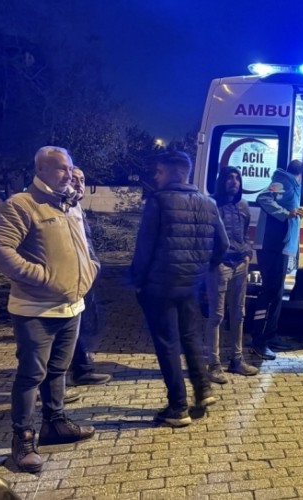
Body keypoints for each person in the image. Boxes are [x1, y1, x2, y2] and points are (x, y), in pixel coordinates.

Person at [0, 146, 98, 473]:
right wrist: (42, 276)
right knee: (31, 376)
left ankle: (55, 424)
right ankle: (23, 440)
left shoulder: (70, 205)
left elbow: (84, 246)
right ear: (41, 170)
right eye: (61, 168)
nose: (69, 173)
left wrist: (92, 267)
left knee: (58, 370)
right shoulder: (22, 204)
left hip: (72, 306)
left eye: (70, 167)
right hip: (35, 309)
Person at [130, 151, 229, 427]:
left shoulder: (159, 201)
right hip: (191, 283)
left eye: (159, 172)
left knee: (167, 344)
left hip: (160, 286)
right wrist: (204, 267)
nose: (156, 177)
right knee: (191, 337)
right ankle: (203, 390)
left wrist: (137, 280)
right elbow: (222, 245)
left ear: (174, 173)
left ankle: (178, 407)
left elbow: (145, 247)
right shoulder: (209, 203)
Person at [205, 167, 260, 383]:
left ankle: (237, 360)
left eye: (237, 178)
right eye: (230, 177)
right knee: (216, 316)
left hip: (240, 265)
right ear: (222, 181)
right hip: (220, 265)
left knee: (238, 314)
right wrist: (214, 259)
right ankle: (213, 364)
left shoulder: (243, 205)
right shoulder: (211, 204)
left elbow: (244, 234)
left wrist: (247, 254)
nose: (234, 181)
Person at [250, 159, 303, 360]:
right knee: (270, 293)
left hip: (280, 247)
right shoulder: (284, 181)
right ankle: (258, 341)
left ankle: (270, 335)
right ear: (301, 174)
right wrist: (286, 213)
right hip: (272, 246)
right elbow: (263, 197)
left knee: (277, 293)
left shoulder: (292, 185)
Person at [67, 167, 111, 386]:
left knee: (87, 323)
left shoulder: (76, 208)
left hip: (85, 277)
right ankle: (66, 377)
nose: (79, 184)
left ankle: (82, 368)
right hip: (70, 279)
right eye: (73, 179)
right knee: (72, 327)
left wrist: (93, 266)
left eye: (82, 180)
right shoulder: (60, 209)